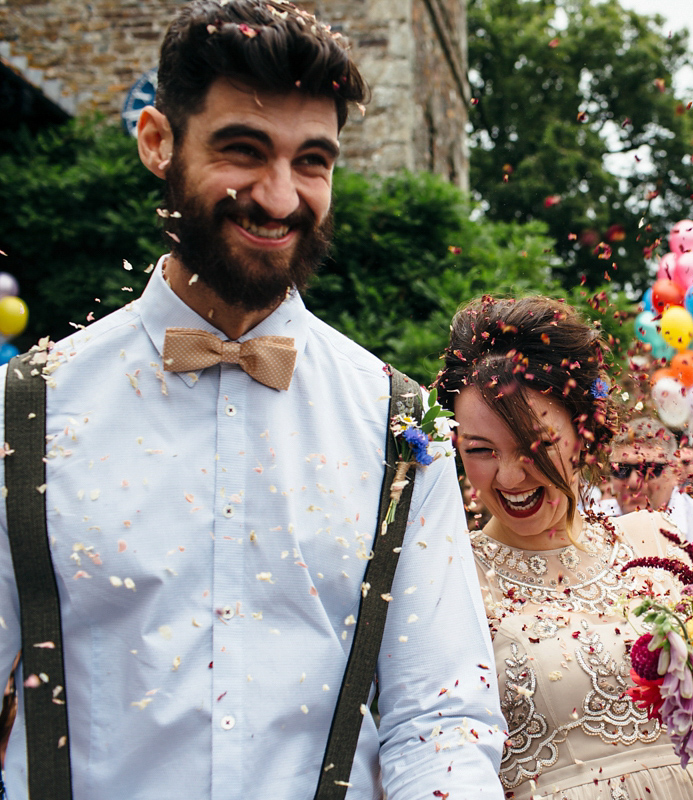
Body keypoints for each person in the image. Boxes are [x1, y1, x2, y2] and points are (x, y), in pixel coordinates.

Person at [0, 2, 505, 797]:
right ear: (158, 142)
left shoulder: (399, 429)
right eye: (243, 150)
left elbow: (440, 716)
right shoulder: (23, 413)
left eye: (313, 162)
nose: (279, 197)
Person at [434, 295, 693, 800]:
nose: (508, 476)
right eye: (480, 451)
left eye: (536, 444)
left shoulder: (655, 539)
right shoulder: (448, 575)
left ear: (584, 434)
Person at [608, 416, 693, 546]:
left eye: (649, 470)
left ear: (675, 472)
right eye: (621, 470)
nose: (634, 482)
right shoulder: (595, 520)